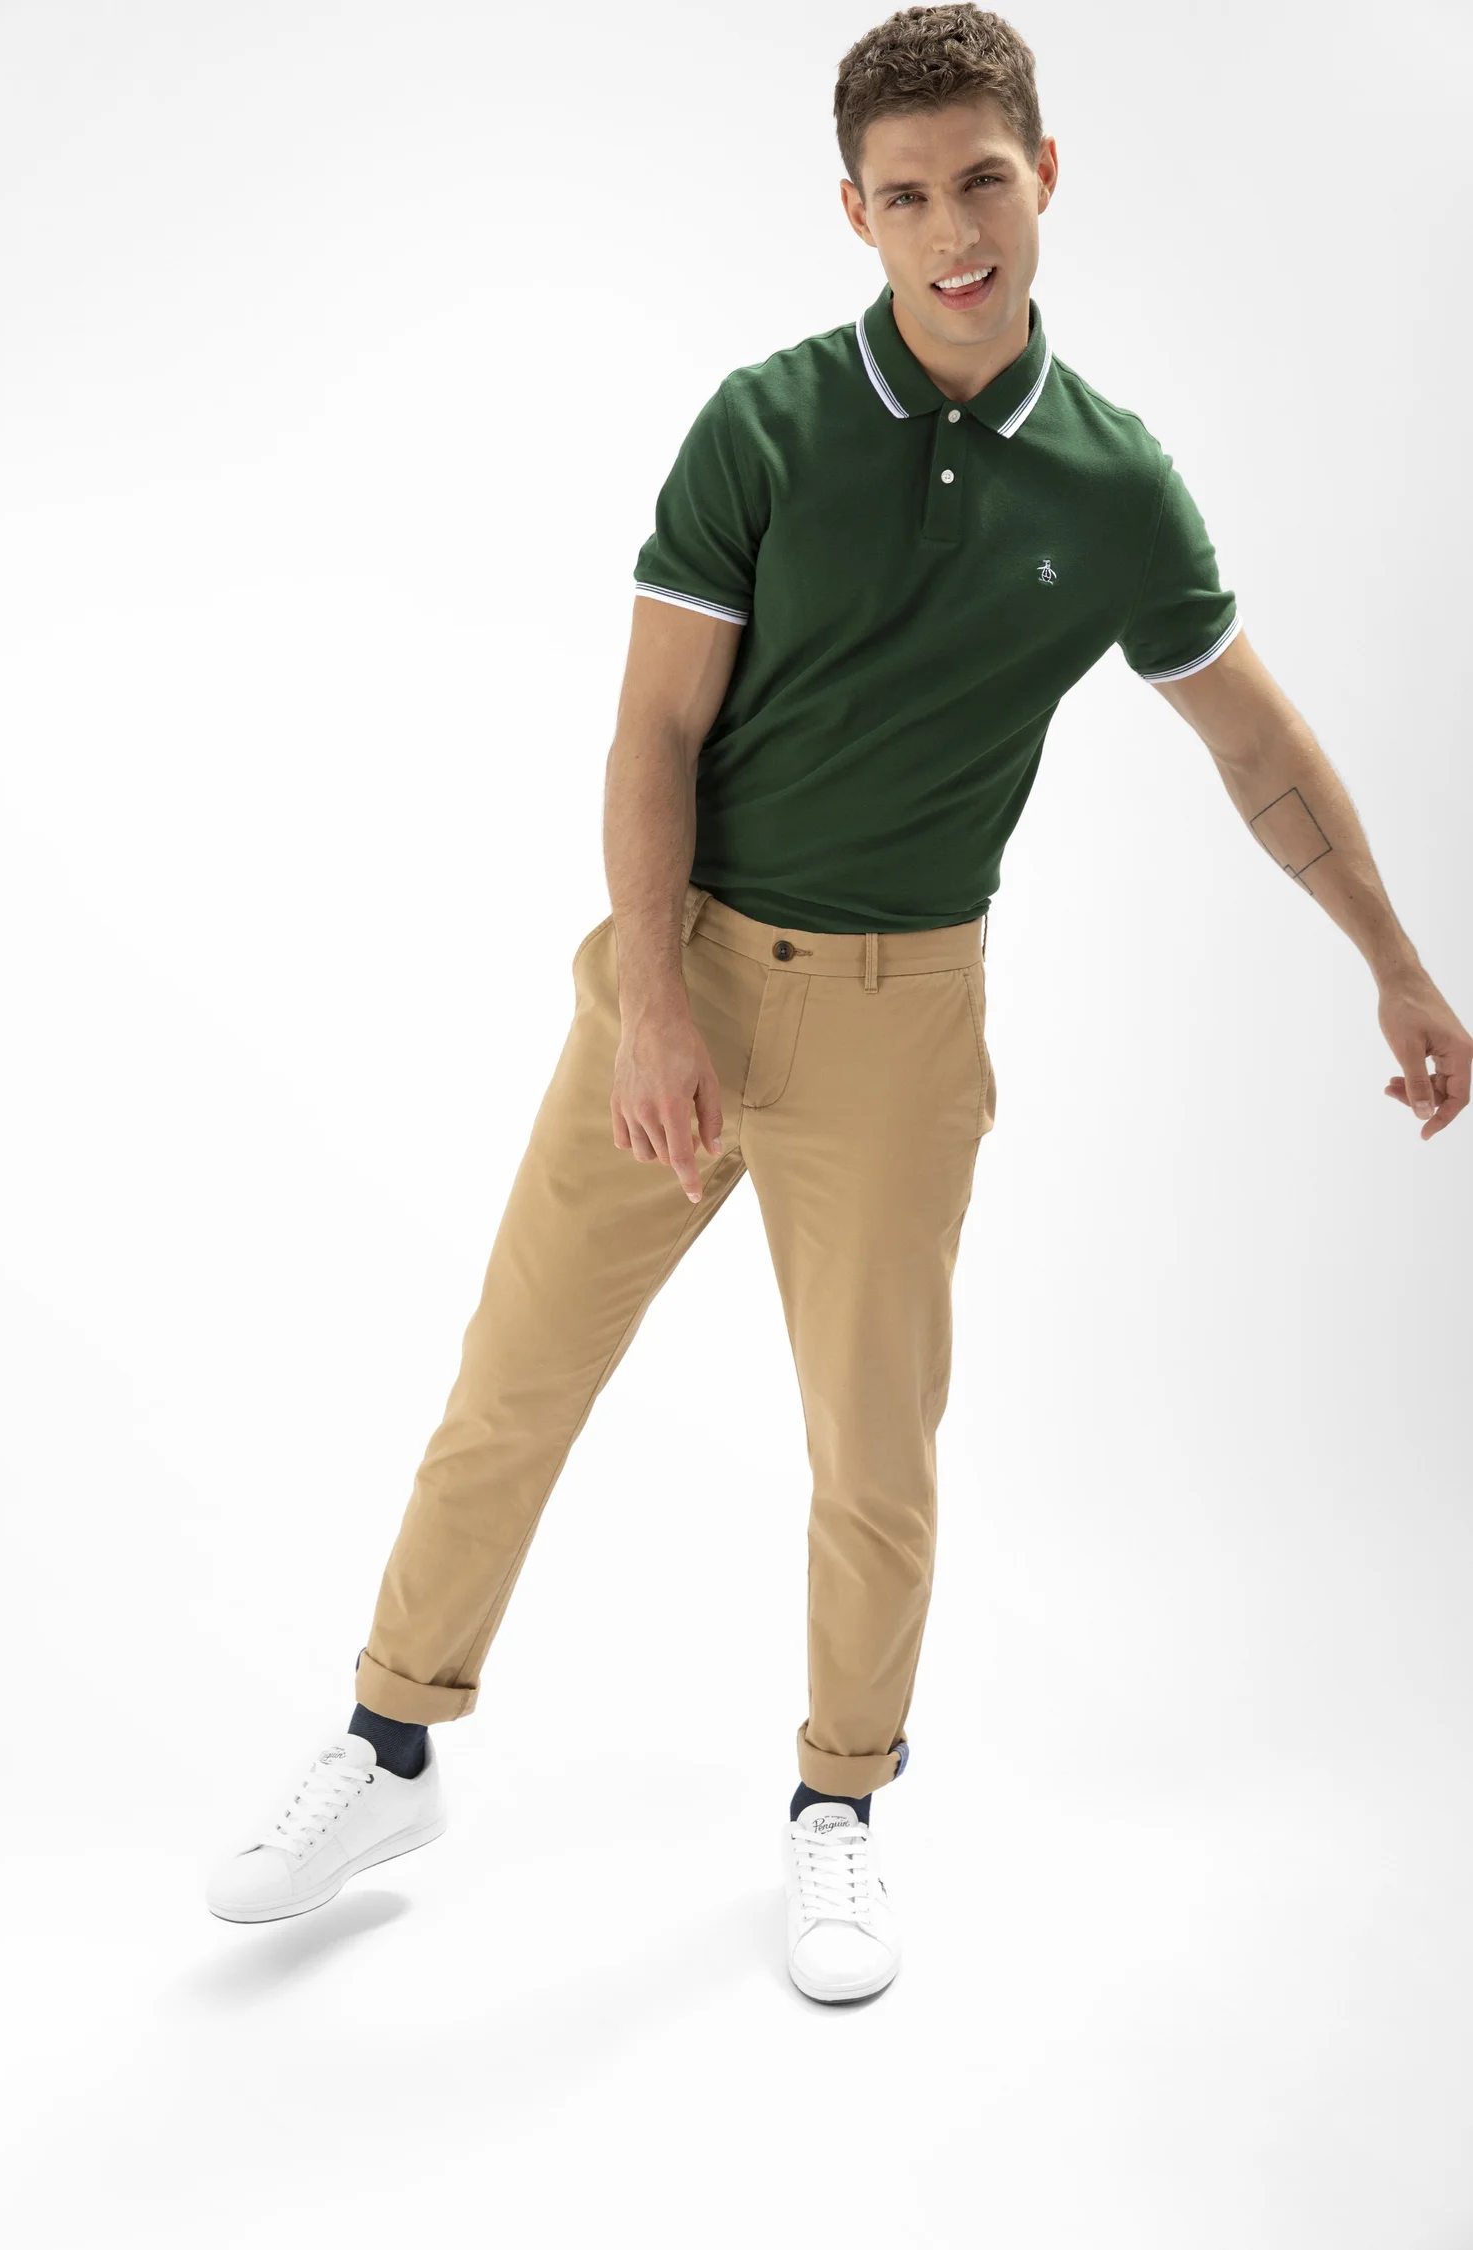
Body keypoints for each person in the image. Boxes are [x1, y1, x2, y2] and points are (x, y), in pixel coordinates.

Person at [203, 4, 1470, 2002]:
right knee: (511, 1379)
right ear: (856, 215)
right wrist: (651, 1004)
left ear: (1043, 179)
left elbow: (1258, 750)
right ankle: (388, 1747)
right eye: (907, 197)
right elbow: (653, 730)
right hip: (685, 968)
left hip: (902, 1015)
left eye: (983, 181)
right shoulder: (765, 425)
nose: (953, 231)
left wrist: (1394, 961)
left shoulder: (1117, 486)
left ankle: (839, 1804)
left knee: (874, 1454)